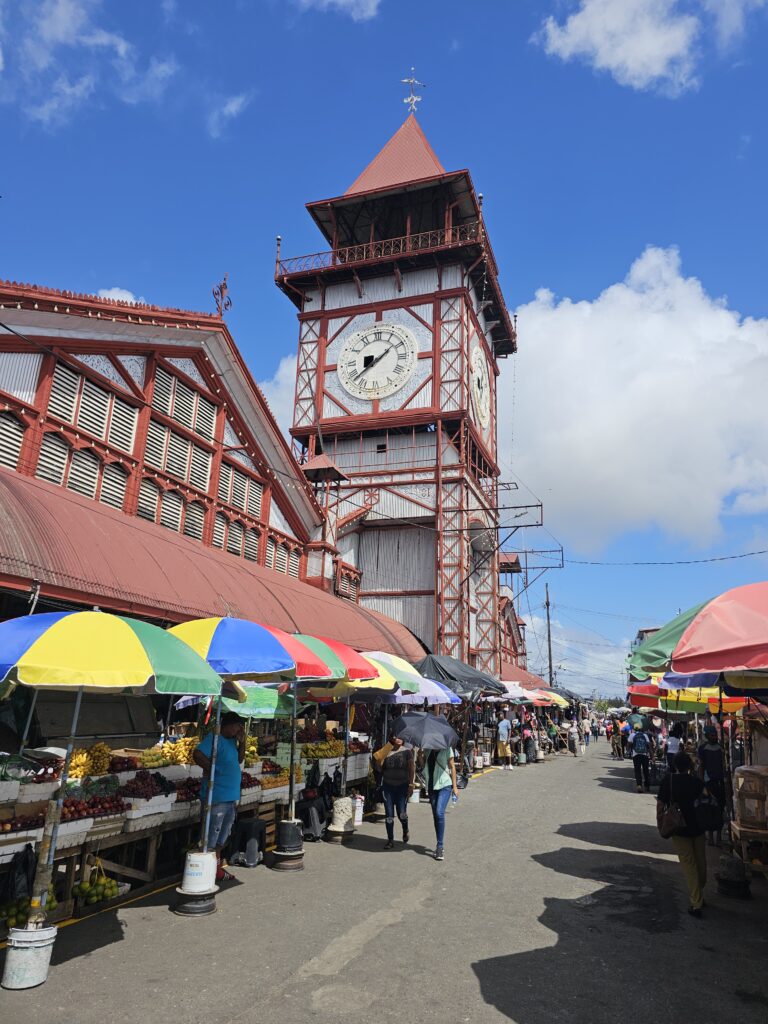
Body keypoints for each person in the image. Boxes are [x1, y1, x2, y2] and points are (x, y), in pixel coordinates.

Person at [193, 712, 245, 881]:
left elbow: (240, 759)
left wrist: (242, 742)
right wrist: (213, 769)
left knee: (222, 837)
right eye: (238, 726)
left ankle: (216, 870)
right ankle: (205, 872)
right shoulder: (214, 739)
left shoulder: (231, 741)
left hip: (230, 797)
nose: (239, 729)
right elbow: (197, 754)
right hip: (216, 797)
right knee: (210, 836)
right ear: (229, 725)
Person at [657, 752, 707, 917]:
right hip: (698, 825)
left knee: (689, 864)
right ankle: (698, 894)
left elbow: (660, 805)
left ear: (675, 765)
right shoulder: (696, 782)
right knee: (700, 862)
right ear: (689, 766)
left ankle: (696, 902)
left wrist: (661, 823)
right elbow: (706, 797)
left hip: (679, 827)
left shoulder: (668, 781)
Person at [378, 733, 414, 849]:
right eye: (396, 737)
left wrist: (411, 785)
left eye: (401, 737)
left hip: (402, 787)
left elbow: (411, 769)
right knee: (389, 815)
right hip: (388, 786)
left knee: (402, 814)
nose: (399, 739)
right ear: (392, 738)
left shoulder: (407, 752)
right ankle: (390, 840)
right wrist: (379, 762)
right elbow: (379, 767)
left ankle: (405, 829)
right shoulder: (386, 750)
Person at [424, 746, 459, 861]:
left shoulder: (447, 749)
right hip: (431, 786)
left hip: (444, 785)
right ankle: (439, 843)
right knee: (436, 815)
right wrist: (420, 757)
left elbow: (452, 766)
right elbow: (424, 766)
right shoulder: (427, 749)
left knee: (439, 813)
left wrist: (455, 787)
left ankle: (440, 846)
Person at [698, 726, 726, 846]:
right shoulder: (703, 749)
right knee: (709, 809)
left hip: (720, 782)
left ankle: (718, 837)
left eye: (715, 734)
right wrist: (701, 783)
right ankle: (710, 837)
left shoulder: (721, 748)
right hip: (708, 782)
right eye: (712, 735)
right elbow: (701, 766)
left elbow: (725, 765)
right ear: (707, 736)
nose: (714, 736)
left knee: (719, 810)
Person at [630, 725, 653, 793]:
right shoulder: (645, 735)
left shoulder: (632, 735)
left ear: (634, 728)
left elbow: (628, 745)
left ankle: (639, 785)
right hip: (645, 755)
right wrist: (652, 756)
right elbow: (649, 745)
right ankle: (647, 786)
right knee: (646, 771)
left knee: (637, 770)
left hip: (636, 755)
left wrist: (631, 747)